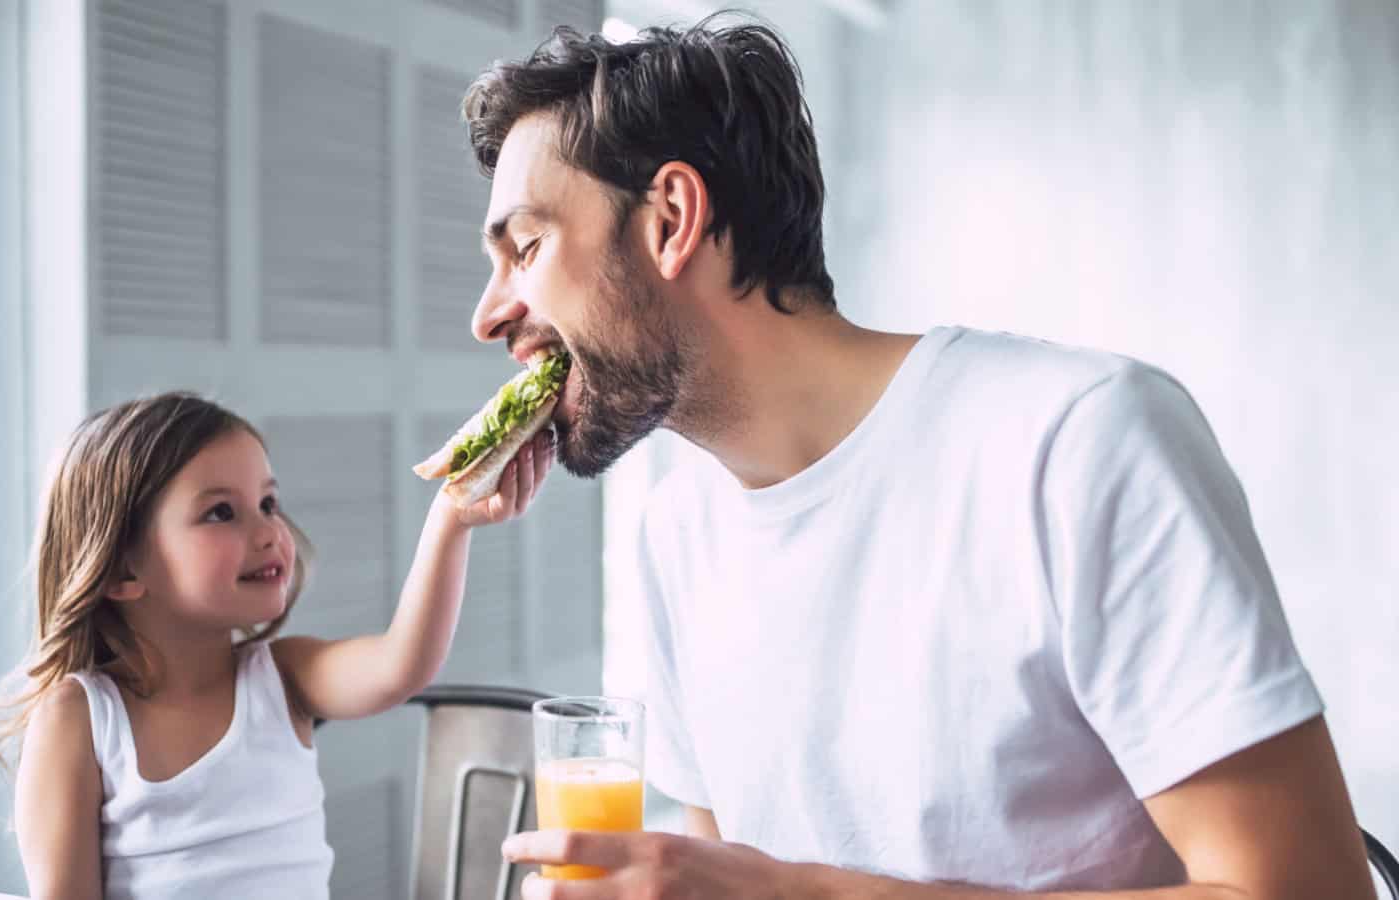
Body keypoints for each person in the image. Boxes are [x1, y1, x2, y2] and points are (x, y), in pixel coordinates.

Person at [461, 18, 1376, 900]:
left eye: (527, 248)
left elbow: (1313, 889)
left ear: (670, 219)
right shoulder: (676, 536)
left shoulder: (1079, 442)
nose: (488, 315)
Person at [0, 391, 554, 899]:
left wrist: (451, 519)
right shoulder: (81, 719)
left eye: (268, 503)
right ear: (122, 570)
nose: (269, 531)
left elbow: (402, 663)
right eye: (221, 512)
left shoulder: (284, 676)